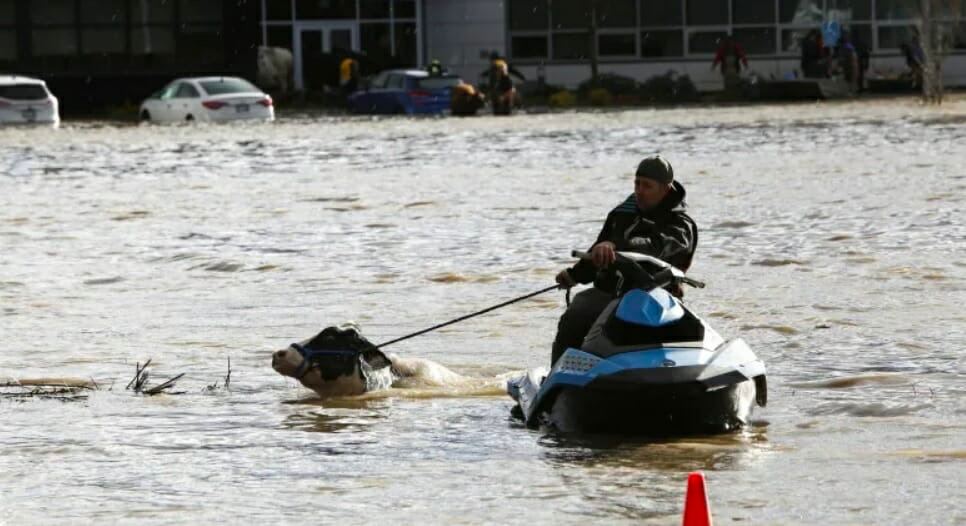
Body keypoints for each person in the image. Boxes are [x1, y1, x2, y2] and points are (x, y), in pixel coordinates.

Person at [551, 156, 698, 366]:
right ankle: (559, 379)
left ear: (665, 190)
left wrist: (616, 245)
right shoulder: (621, 214)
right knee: (576, 312)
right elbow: (598, 251)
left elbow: (657, 245)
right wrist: (573, 275)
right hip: (609, 294)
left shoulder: (681, 225)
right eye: (637, 183)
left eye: (647, 186)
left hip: (659, 299)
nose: (639, 190)